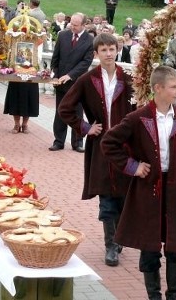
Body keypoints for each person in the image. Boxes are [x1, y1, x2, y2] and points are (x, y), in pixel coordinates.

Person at [101, 66, 176, 300]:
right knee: (150, 247)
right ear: (158, 88)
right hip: (149, 189)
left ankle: (173, 295)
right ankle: (154, 295)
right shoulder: (138, 118)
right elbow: (109, 143)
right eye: (174, 86)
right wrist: (132, 166)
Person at [59, 33, 134, 267]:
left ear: (117, 50)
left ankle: (120, 236)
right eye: (104, 50)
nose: (109, 54)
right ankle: (110, 245)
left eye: (112, 49)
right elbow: (65, 108)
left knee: (124, 192)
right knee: (106, 193)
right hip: (101, 145)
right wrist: (85, 127)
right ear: (96, 54)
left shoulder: (129, 78)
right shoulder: (87, 79)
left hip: (126, 146)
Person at [49, 12, 94, 152]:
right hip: (61, 83)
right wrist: (54, 74)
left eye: (75, 25)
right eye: (71, 24)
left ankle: (77, 142)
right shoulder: (63, 35)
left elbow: (86, 63)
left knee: (77, 114)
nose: (72, 27)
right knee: (60, 112)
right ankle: (58, 141)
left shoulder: (90, 40)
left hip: (78, 84)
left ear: (84, 25)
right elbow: (55, 58)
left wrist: (70, 75)